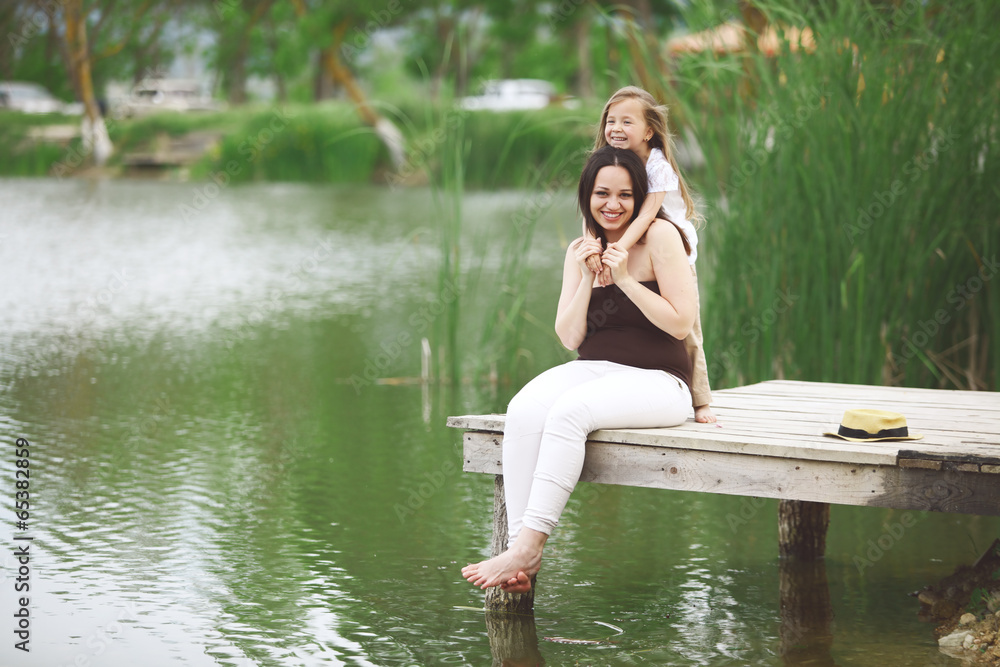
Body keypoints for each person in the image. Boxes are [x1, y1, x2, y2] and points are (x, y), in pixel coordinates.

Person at [462, 146, 699, 595]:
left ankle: (530, 548)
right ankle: (518, 563)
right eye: (602, 193)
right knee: (525, 408)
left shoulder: (662, 238)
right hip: (595, 369)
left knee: (570, 412)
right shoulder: (580, 250)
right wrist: (590, 273)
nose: (613, 204)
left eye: (626, 195)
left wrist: (625, 277)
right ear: (586, 196)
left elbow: (682, 322)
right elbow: (570, 338)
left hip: (661, 383)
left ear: (640, 197)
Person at [584, 86, 715, 423]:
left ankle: (700, 400)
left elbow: (646, 216)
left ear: (649, 130)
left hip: (671, 250)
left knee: (688, 329)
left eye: (627, 121)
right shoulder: (608, 162)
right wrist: (593, 248)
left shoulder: (657, 166)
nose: (616, 128)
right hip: (633, 249)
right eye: (611, 120)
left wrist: (616, 250)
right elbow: (590, 212)